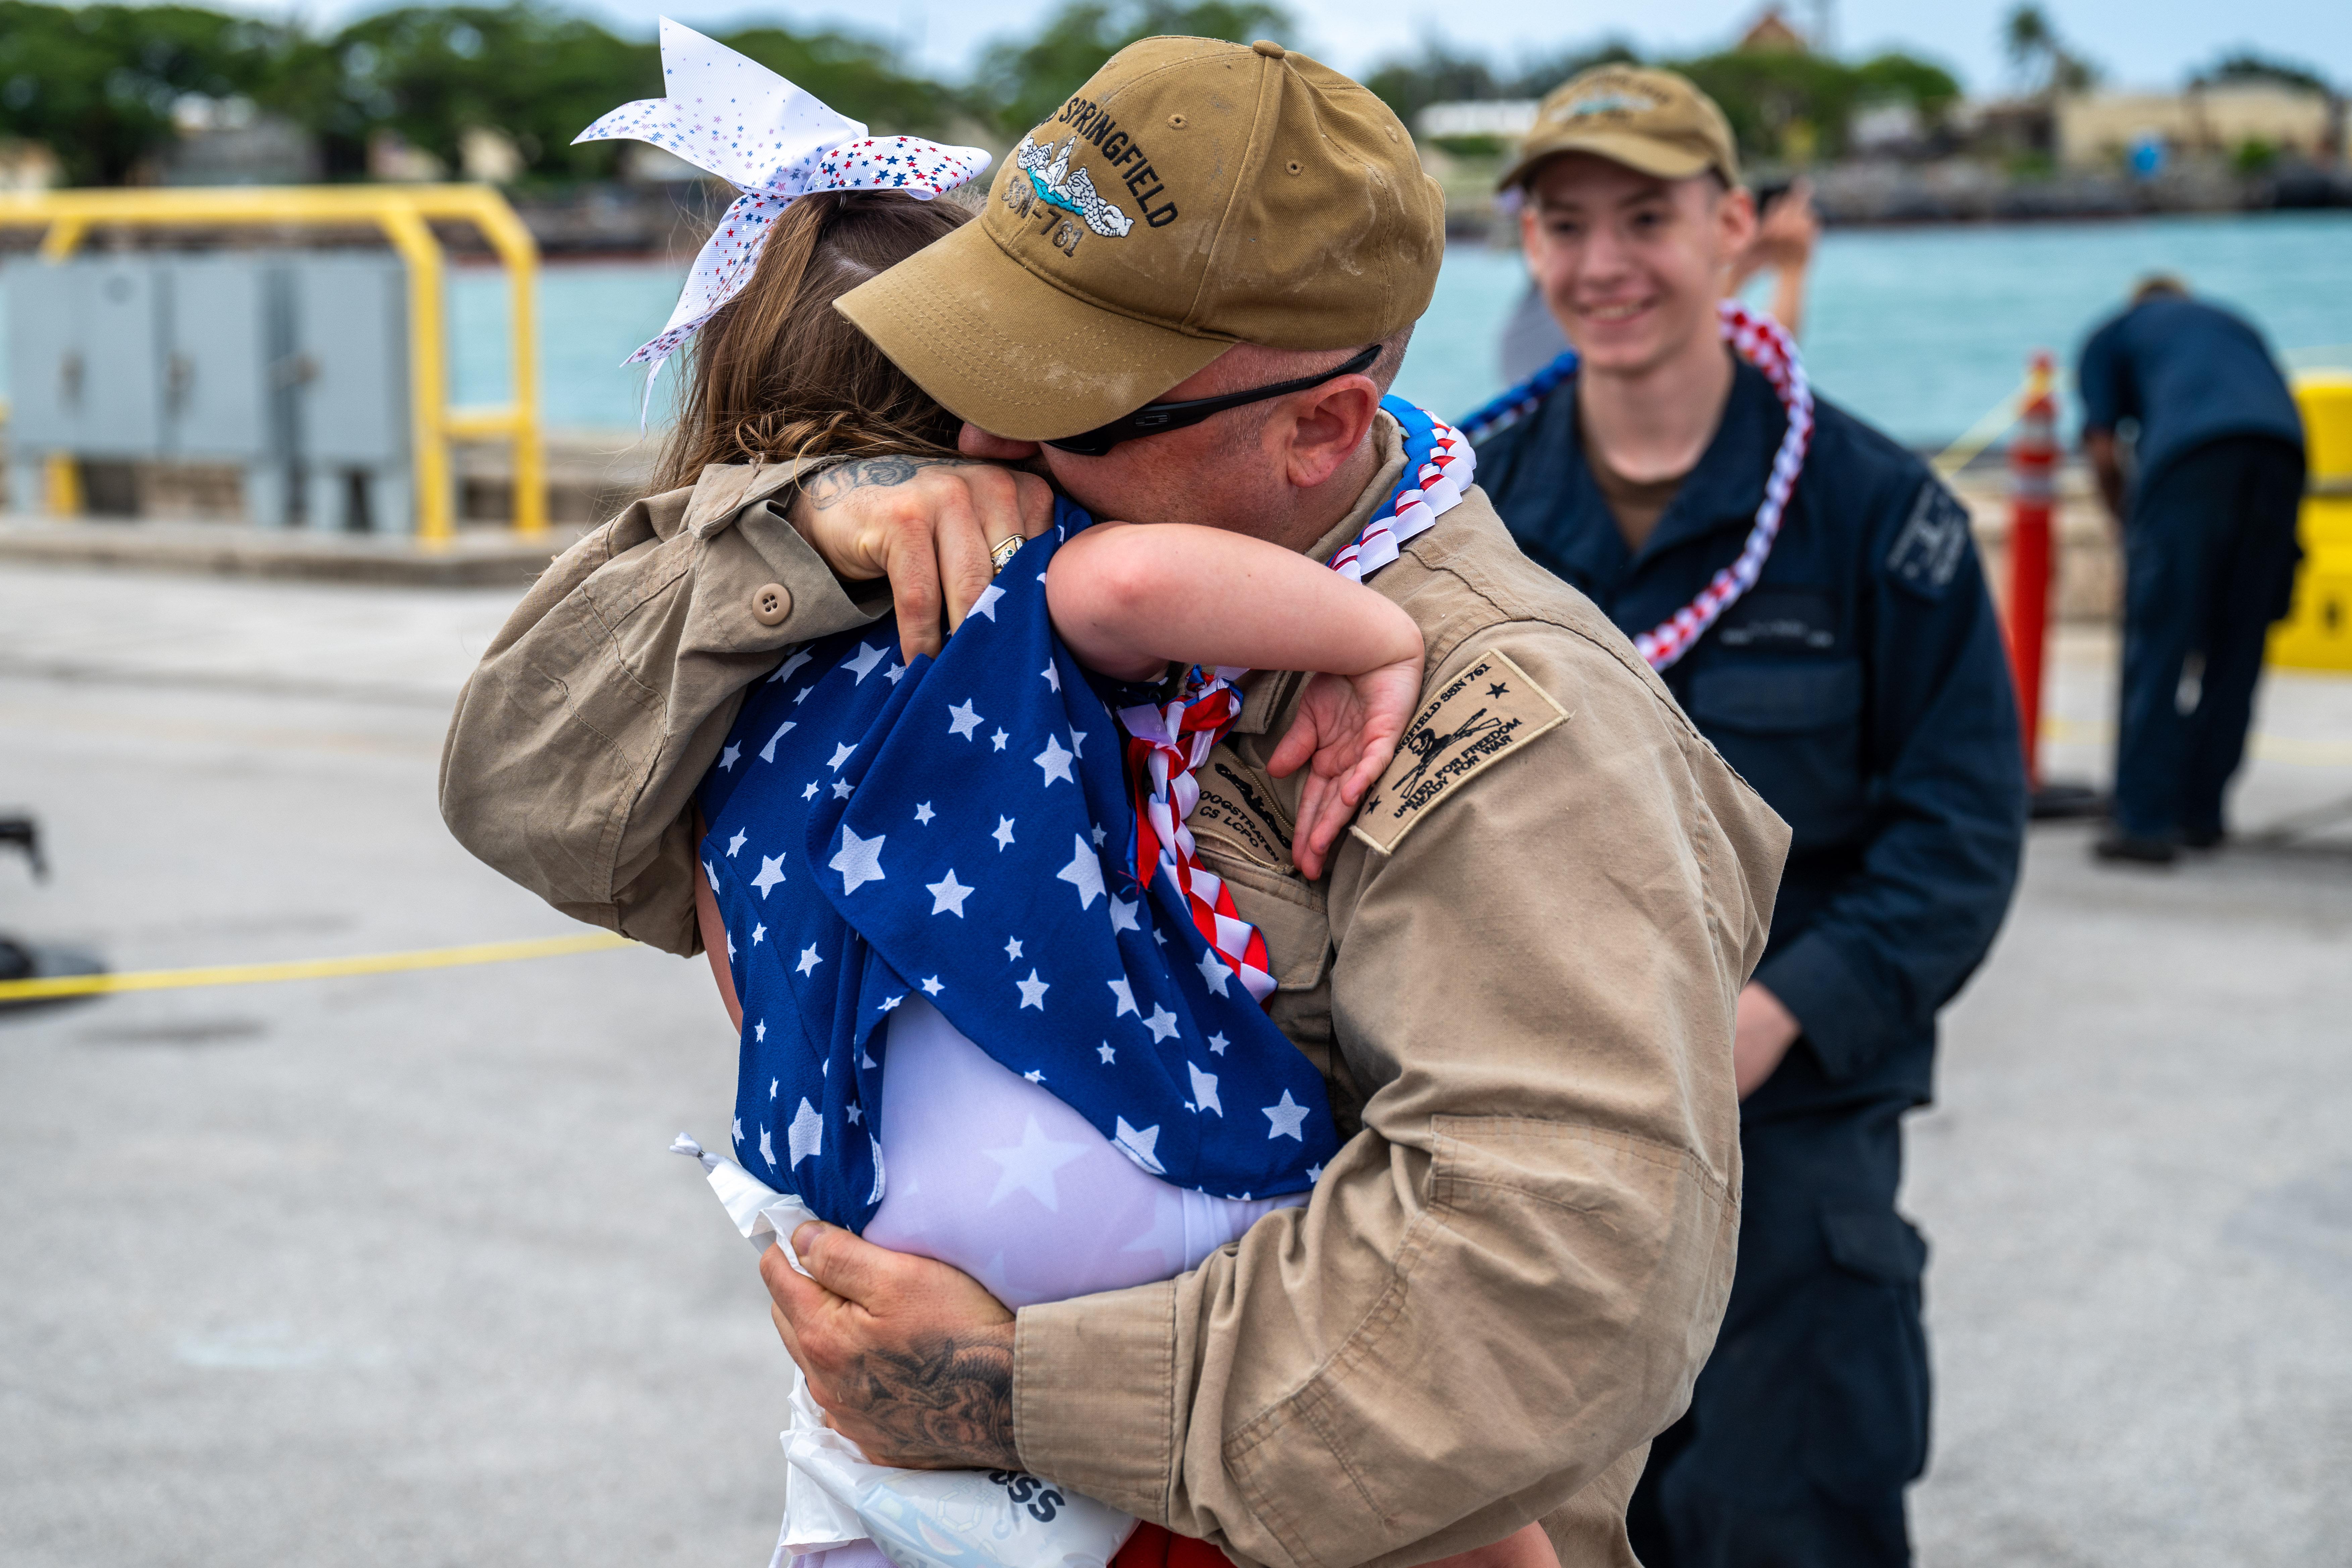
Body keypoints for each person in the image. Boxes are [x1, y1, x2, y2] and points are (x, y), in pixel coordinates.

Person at [443, 33, 1792, 1568]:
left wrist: (1014, 1387)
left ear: (1318, 426)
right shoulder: (993, 573)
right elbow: (525, 787)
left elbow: (1556, 1285)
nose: (975, 443)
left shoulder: (1522, 735)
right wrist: (805, 528)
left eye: (1065, 401)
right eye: (968, 362)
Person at [1466, 66, 2026, 1566]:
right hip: (1526, 1141)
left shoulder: (1874, 513)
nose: (1600, 265)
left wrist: (1774, 1015)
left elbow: (1956, 833)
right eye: (1562, 222)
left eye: (1644, 217)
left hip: (1786, 1143)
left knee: (1792, 1523)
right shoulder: (1464, 511)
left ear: (1730, 227)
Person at [2076, 274, 2307, 864]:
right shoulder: (2232, 319)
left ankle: (2144, 822)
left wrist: (2128, 525)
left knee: (2159, 640)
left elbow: (2103, 450)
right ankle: (2202, 810)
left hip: (2190, 459)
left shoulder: (2113, 333)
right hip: (2283, 452)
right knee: (2240, 639)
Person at [1499, 176, 1819, 387]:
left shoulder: (1529, 326)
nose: (1603, 267)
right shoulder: (1578, 330)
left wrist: (1738, 272)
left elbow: (1687, 322)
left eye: (1646, 220)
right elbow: (1753, 376)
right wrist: (1792, 272)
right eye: (1567, 226)